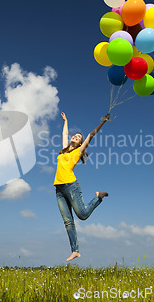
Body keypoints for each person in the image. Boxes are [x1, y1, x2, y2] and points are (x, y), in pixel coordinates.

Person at [54, 111, 110, 262]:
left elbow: (91, 135)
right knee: (68, 221)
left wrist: (103, 121)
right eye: (75, 135)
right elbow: (64, 133)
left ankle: (98, 197)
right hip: (59, 190)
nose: (75, 136)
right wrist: (66, 120)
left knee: (82, 215)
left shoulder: (78, 151)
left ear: (80, 143)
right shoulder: (65, 149)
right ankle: (75, 250)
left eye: (78, 137)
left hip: (71, 186)